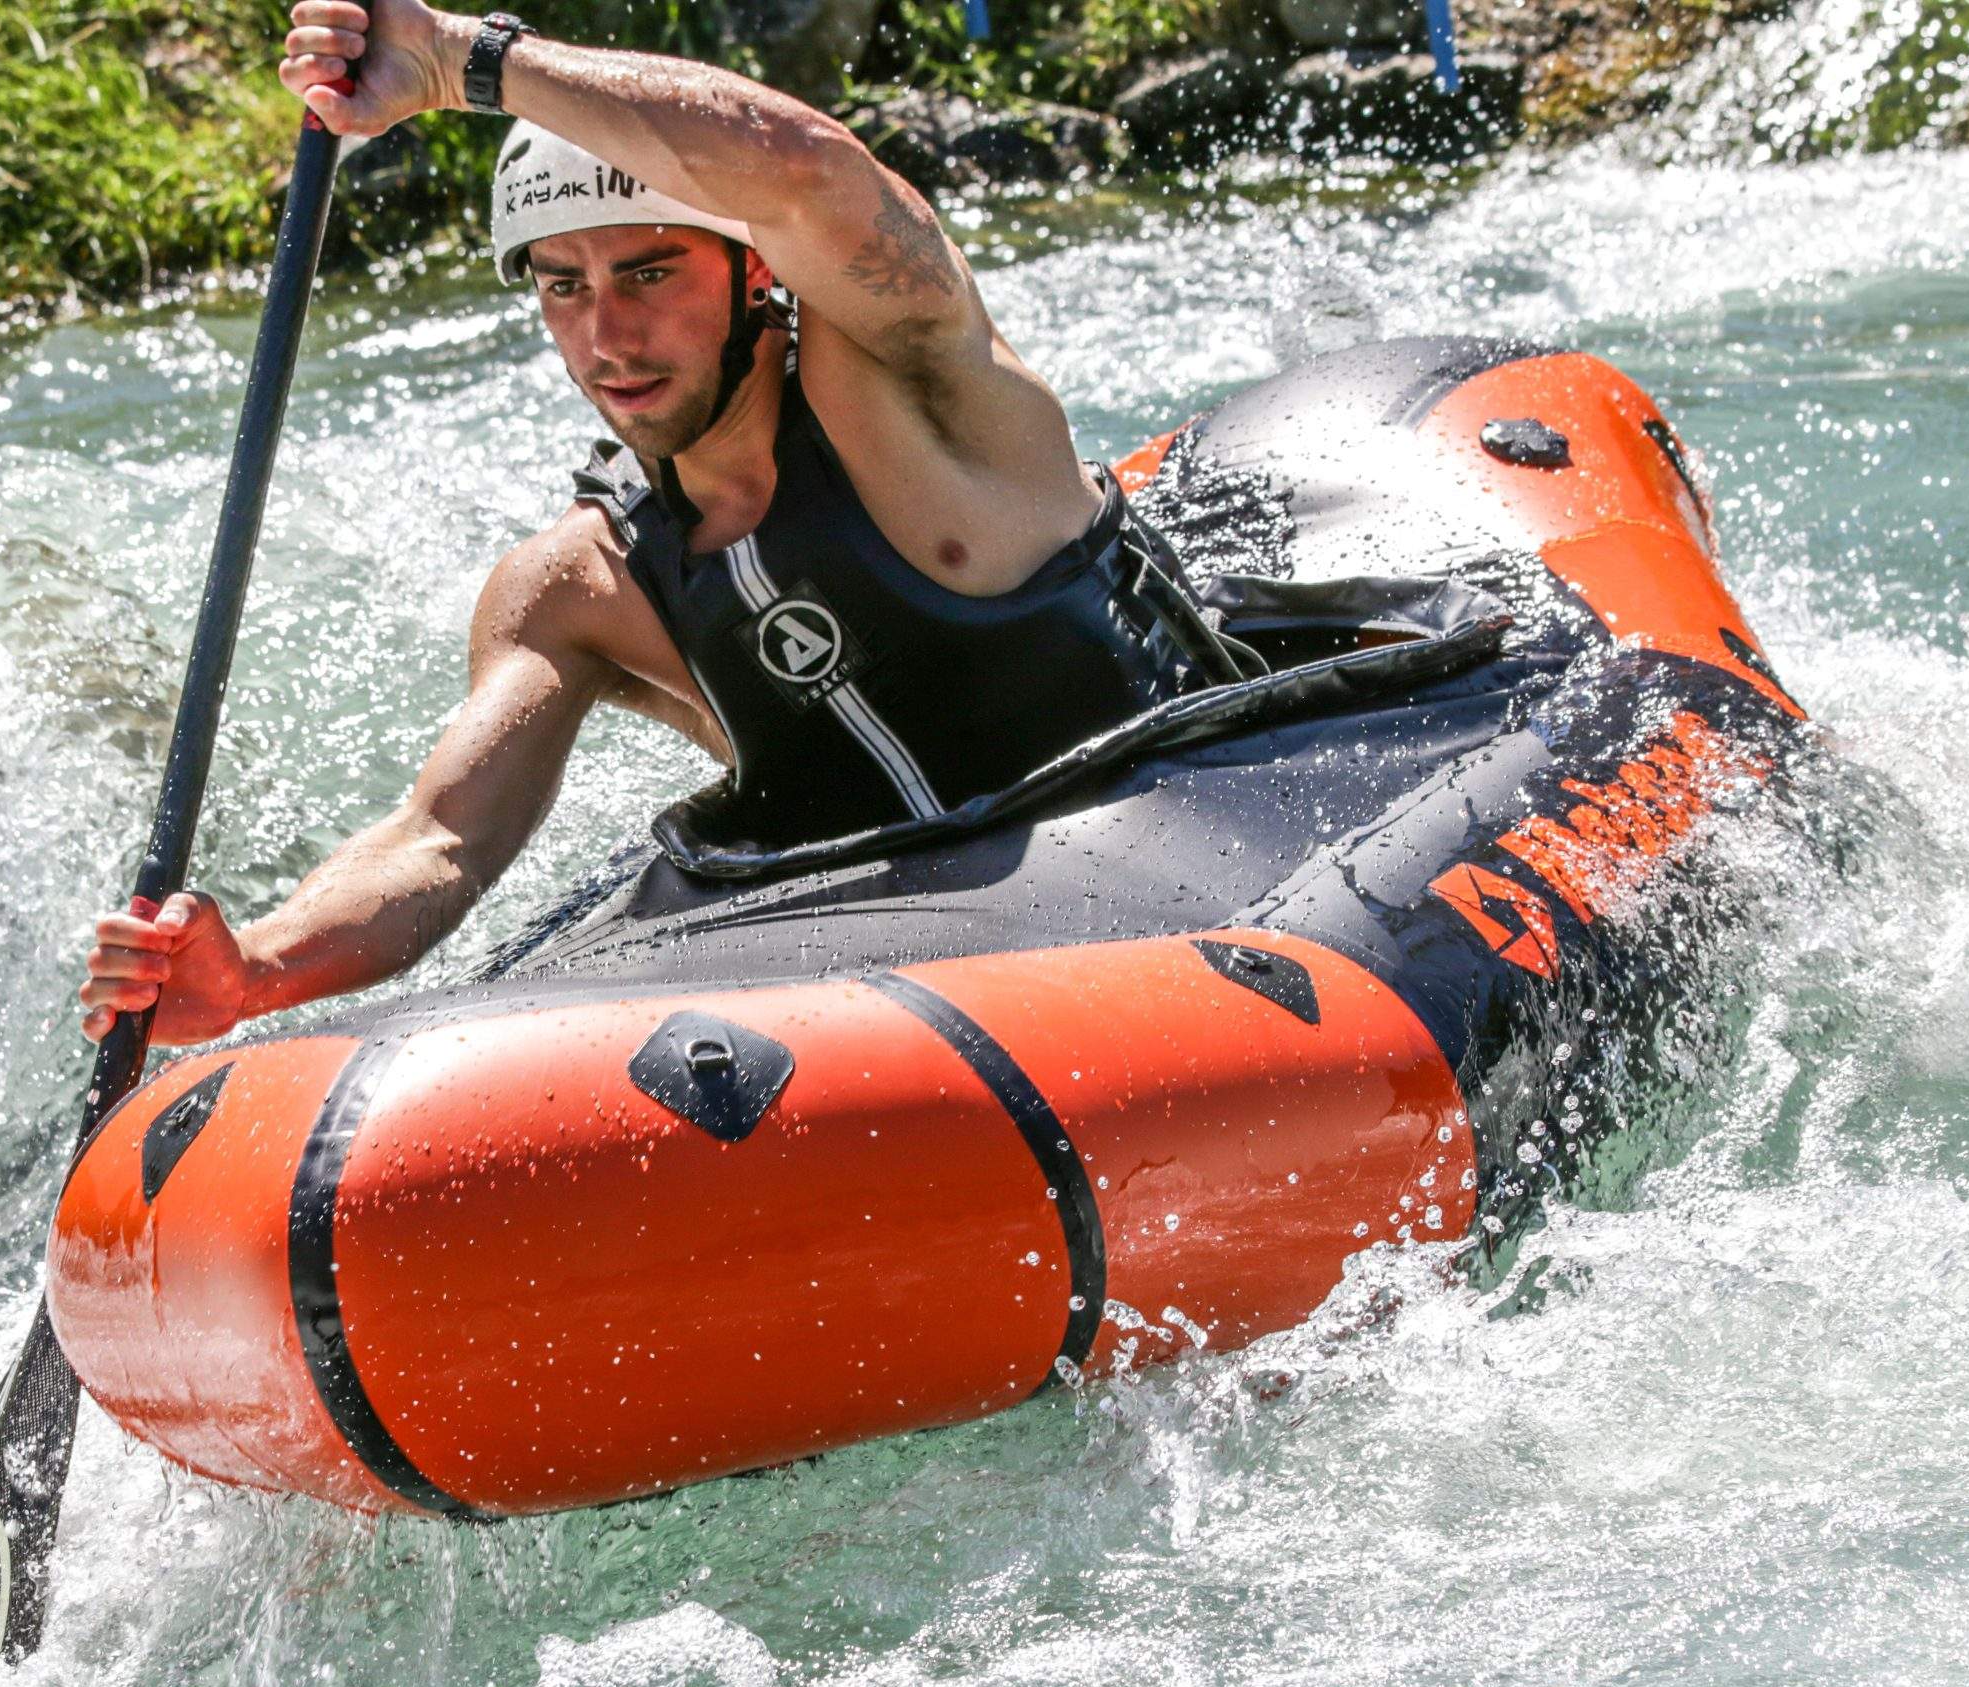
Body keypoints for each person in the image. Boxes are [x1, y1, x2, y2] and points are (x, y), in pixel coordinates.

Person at [78, 0, 1261, 1047]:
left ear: (756, 275)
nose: (607, 337)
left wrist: (457, 61)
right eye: (563, 285)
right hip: (937, 1001)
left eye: (650, 273)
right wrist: (255, 973)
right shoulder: (577, 588)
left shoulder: (916, 383)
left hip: (1222, 868)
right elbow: (440, 842)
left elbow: (802, 168)